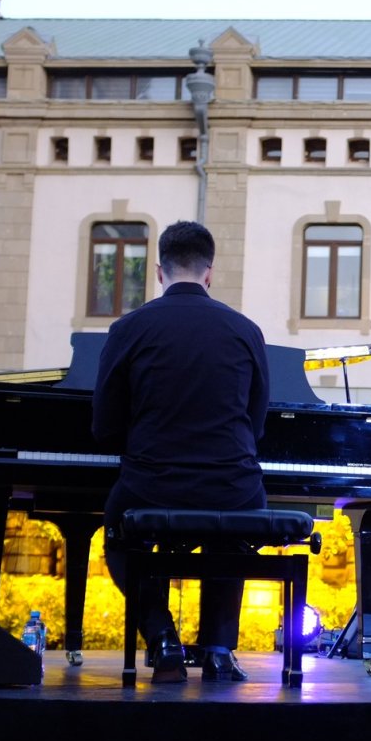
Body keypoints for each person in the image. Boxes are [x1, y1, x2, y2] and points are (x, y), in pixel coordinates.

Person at [92, 220, 270, 683]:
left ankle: (162, 637)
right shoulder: (246, 331)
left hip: (152, 483)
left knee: (117, 533)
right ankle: (216, 648)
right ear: (209, 273)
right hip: (232, 484)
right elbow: (256, 424)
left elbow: (105, 427)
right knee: (234, 527)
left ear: (158, 271)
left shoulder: (128, 328)